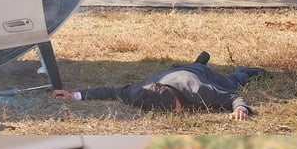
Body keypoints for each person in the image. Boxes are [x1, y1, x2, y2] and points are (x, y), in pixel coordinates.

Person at [52, 52, 264, 119]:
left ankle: (244, 70)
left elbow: (232, 97)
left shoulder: (199, 89)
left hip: (199, 74)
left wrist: (240, 109)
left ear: (177, 100)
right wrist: (75, 96)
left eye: (174, 109)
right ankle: (197, 61)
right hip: (175, 70)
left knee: (233, 82)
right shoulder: (140, 92)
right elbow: (111, 91)